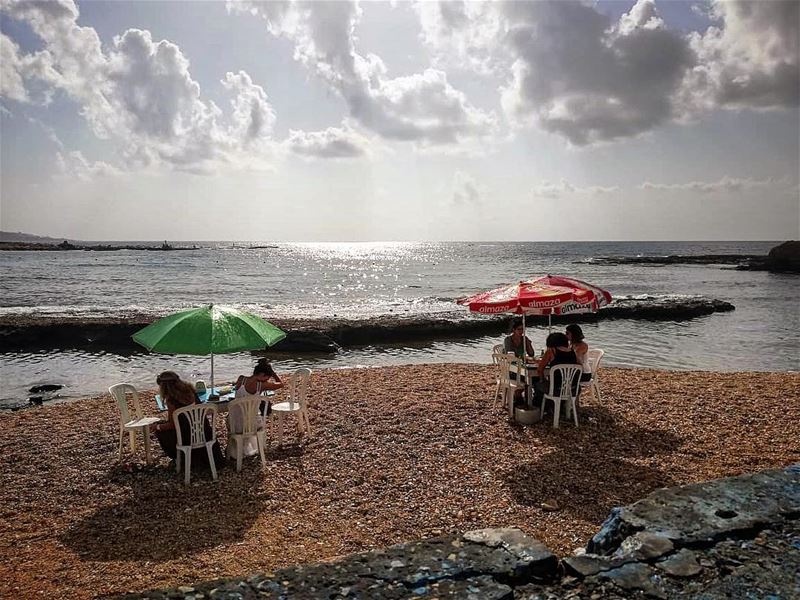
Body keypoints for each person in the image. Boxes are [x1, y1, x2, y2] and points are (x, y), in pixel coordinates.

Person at [152, 371, 224, 465]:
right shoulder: (190, 390)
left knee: (161, 431)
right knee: (164, 425)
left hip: (187, 437)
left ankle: (179, 457)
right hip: (204, 431)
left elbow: (172, 425)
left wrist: (157, 427)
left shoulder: (172, 400)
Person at [229, 359, 284, 457]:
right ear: (262, 374)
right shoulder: (261, 385)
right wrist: (273, 373)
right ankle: (255, 448)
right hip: (251, 424)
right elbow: (281, 384)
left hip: (234, 423)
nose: (267, 380)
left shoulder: (241, 379)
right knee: (257, 417)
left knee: (234, 416)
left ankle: (235, 451)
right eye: (267, 378)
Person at [534, 332, 579, 405]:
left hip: (556, 388)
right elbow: (579, 366)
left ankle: (544, 406)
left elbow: (539, 370)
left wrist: (543, 380)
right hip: (573, 388)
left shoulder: (551, 351)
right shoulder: (573, 352)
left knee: (537, 384)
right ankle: (560, 405)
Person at [502, 317, 536, 404]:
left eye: (523, 329)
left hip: (522, 366)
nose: (521, 331)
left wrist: (528, 344)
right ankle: (518, 396)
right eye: (519, 329)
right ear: (514, 330)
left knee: (535, 378)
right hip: (511, 367)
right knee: (528, 379)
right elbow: (510, 355)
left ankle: (529, 399)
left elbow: (531, 354)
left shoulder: (524, 339)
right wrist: (522, 358)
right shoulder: (508, 340)